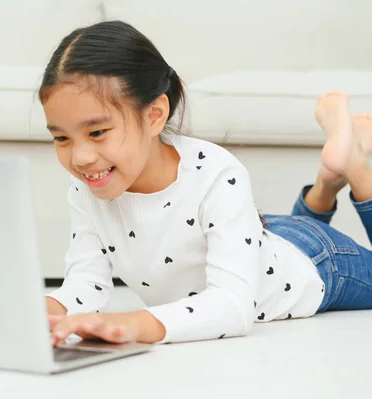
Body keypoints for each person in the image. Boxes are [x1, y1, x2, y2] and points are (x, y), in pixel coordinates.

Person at [40, 20, 372, 346]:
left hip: (315, 260)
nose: (81, 158)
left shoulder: (215, 172)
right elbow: (85, 283)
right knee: (277, 237)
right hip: (262, 238)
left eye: (97, 132)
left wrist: (134, 322)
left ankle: (355, 167)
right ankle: (328, 182)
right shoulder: (86, 188)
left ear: (154, 115)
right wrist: (41, 312)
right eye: (62, 137)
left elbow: (233, 305)